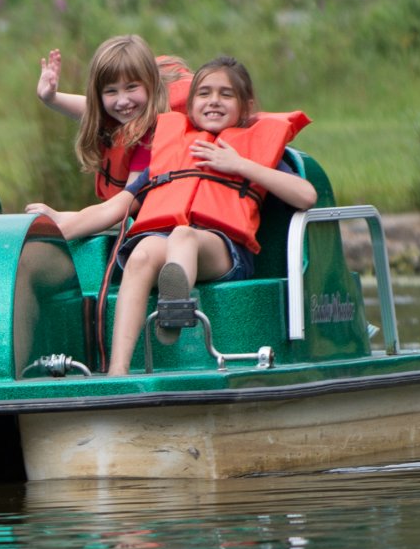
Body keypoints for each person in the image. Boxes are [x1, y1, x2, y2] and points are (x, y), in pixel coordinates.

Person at [28, 55, 316, 376]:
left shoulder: (251, 151)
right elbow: (113, 209)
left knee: (183, 235)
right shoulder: (172, 153)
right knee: (142, 252)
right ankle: (118, 370)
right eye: (204, 94)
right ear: (190, 105)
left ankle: (174, 310)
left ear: (246, 106)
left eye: (226, 94)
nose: (214, 102)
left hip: (223, 253)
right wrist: (54, 228)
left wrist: (239, 165)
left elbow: (306, 195)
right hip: (167, 244)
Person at [35, 35, 185, 201]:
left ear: (151, 82)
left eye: (131, 87)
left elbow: (122, 209)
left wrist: (62, 219)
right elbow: (91, 110)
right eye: (111, 91)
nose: (122, 101)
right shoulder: (131, 110)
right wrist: (50, 98)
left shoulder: (154, 133)